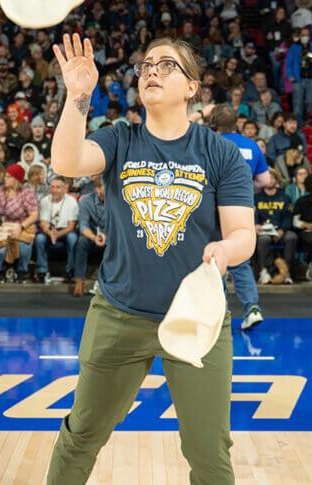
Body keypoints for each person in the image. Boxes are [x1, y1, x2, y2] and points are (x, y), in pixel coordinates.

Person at [47, 35, 255, 484]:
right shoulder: (120, 138)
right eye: (146, 66)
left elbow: (243, 234)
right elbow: (66, 161)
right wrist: (79, 96)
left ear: (192, 87)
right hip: (119, 314)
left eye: (167, 65)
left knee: (209, 453)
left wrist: (224, 249)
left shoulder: (219, 153)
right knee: (82, 432)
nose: (152, 72)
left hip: (197, 321)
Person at [212, 104, 270, 330]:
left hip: (214, 208)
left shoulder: (210, 142)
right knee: (239, 259)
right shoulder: (251, 145)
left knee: (215, 258)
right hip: (242, 208)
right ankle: (252, 308)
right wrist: (245, 188)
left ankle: (220, 311)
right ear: (237, 123)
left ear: (215, 124)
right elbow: (265, 181)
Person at [0, 163, 39, 283]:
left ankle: (22, 271)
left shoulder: (27, 193)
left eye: (8, 177)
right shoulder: (1, 191)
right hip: (5, 225)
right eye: (5, 176)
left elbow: (34, 214)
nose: (5, 179)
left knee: (23, 246)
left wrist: (20, 226)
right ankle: (0, 271)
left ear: (16, 179)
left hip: (23, 225)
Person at [254, 170, 297, 285]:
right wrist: (256, 225)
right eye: (267, 178)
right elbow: (253, 215)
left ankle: (286, 272)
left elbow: (288, 217)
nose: (269, 180)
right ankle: (263, 272)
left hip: (280, 230)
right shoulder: (256, 198)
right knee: (263, 239)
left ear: (277, 180)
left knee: (291, 237)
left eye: (272, 178)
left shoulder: (285, 198)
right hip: (264, 231)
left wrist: (282, 230)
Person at [34, 176, 80, 284]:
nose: (54, 190)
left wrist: (57, 234)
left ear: (65, 189)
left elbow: (71, 226)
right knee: (39, 238)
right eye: (52, 187)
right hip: (49, 230)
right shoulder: (45, 200)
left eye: (58, 187)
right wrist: (50, 233)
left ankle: (70, 271)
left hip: (65, 230)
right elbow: (43, 223)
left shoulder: (72, 202)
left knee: (73, 238)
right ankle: (42, 271)